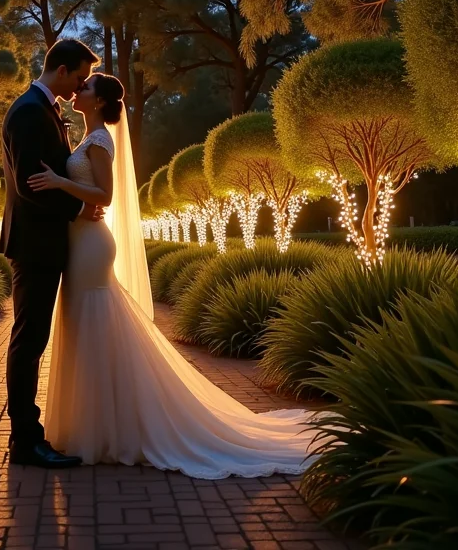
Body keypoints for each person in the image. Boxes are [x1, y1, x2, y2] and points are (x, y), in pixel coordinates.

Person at [24, 70, 314, 478]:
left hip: (91, 245)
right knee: (83, 326)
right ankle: (95, 426)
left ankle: (105, 432)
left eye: (87, 88)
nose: (79, 90)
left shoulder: (101, 140)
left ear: (102, 102)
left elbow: (105, 195)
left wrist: (57, 182)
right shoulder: (85, 138)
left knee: (92, 322)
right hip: (79, 242)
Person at [0, 39, 103, 468]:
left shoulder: (44, 110)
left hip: (48, 242)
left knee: (33, 338)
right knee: (29, 340)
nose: (79, 86)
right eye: (78, 77)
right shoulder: (28, 112)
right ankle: (25, 440)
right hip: (35, 244)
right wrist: (78, 205)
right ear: (60, 70)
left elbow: (50, 176)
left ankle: (29, 435)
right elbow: (28, 185)